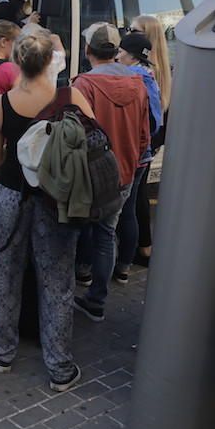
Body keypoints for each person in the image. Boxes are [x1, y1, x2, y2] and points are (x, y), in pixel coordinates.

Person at [0, 29, 94, 392]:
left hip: (12, 195)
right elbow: (93, 143)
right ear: (51, 61)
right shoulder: (72, 96)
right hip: (57, 201)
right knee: (58, 281)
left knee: (5, 271)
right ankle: (60, 366)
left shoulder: (1, 104)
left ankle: (2, 351)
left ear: (16, 61)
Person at [71, 23, 149, 323]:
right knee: (106, 234)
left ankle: (74, 283)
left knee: (75, 231)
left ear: (88, 50)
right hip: (124, 171)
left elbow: (72, 136)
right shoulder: (139, 83)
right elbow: (145, 133)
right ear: (116, 51)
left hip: (89, 172)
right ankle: (97, 299)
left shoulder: (82, 85)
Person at [111, 32, 162, 284]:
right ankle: (123, 266)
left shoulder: (133, 78)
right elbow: (156, 121)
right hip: (142, 153)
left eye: (120, 52)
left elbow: (152, 122)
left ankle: (112, 264)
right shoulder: (149, 77)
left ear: (130, 55)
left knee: (115, 211)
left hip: (129, 151)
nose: (117, 55)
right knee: (129, 207)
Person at [130, 15, 172, 265]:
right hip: (152, 138)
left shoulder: (144, 71)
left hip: (143, 137)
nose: (128, 34)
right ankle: (143, 245)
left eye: (134, 31)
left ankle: (143, 245)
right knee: (138, 193)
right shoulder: (161, 67)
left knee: (135, 196)